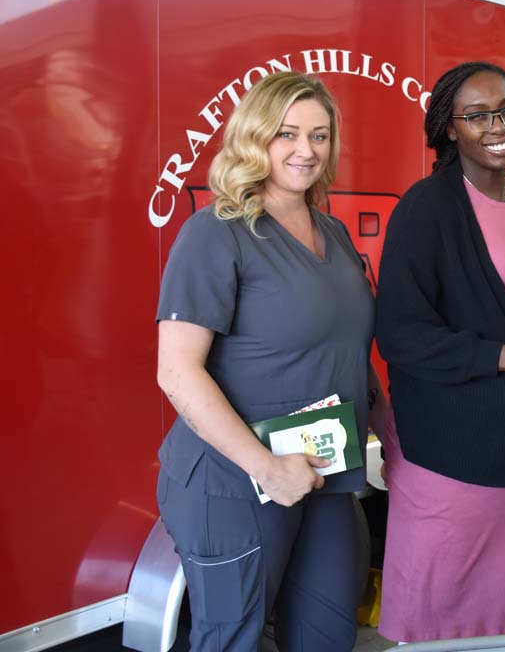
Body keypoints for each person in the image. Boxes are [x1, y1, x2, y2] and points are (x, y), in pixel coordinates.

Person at [155, 71, 386, 651]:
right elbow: (178, 371)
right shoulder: (215, 233)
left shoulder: (331, 233)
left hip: (326, 475)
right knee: (234, 637)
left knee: (329, 635)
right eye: (286, 134)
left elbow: (349, 352)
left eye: (319, 135)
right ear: (253, 138)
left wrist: (397, 445)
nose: (306, 150)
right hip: (233, 482)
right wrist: (265, 466)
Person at [374, 61, 505, 643]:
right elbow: (402, 335)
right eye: (478, 115)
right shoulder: (427, 207)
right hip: (458, 458)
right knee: (449, 614)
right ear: (448, 127)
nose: (499, 126)